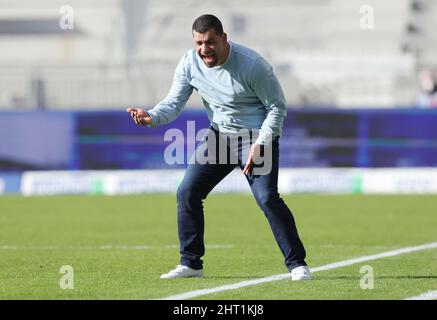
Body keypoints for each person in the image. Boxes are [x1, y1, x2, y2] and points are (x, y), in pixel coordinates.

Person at [127, 14, 311, 281]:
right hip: (219, 137)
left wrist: (262, 143)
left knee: (267, 199)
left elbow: (277, 107)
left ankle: (297, 264)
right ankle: (191, 264)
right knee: (188, 192)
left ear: (224, 39)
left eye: (210, 41)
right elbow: (173, 103)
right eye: (199, 43)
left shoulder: (253, 65)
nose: (204, 49)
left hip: (256, 137)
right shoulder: (190, 63)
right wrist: (152, 117)